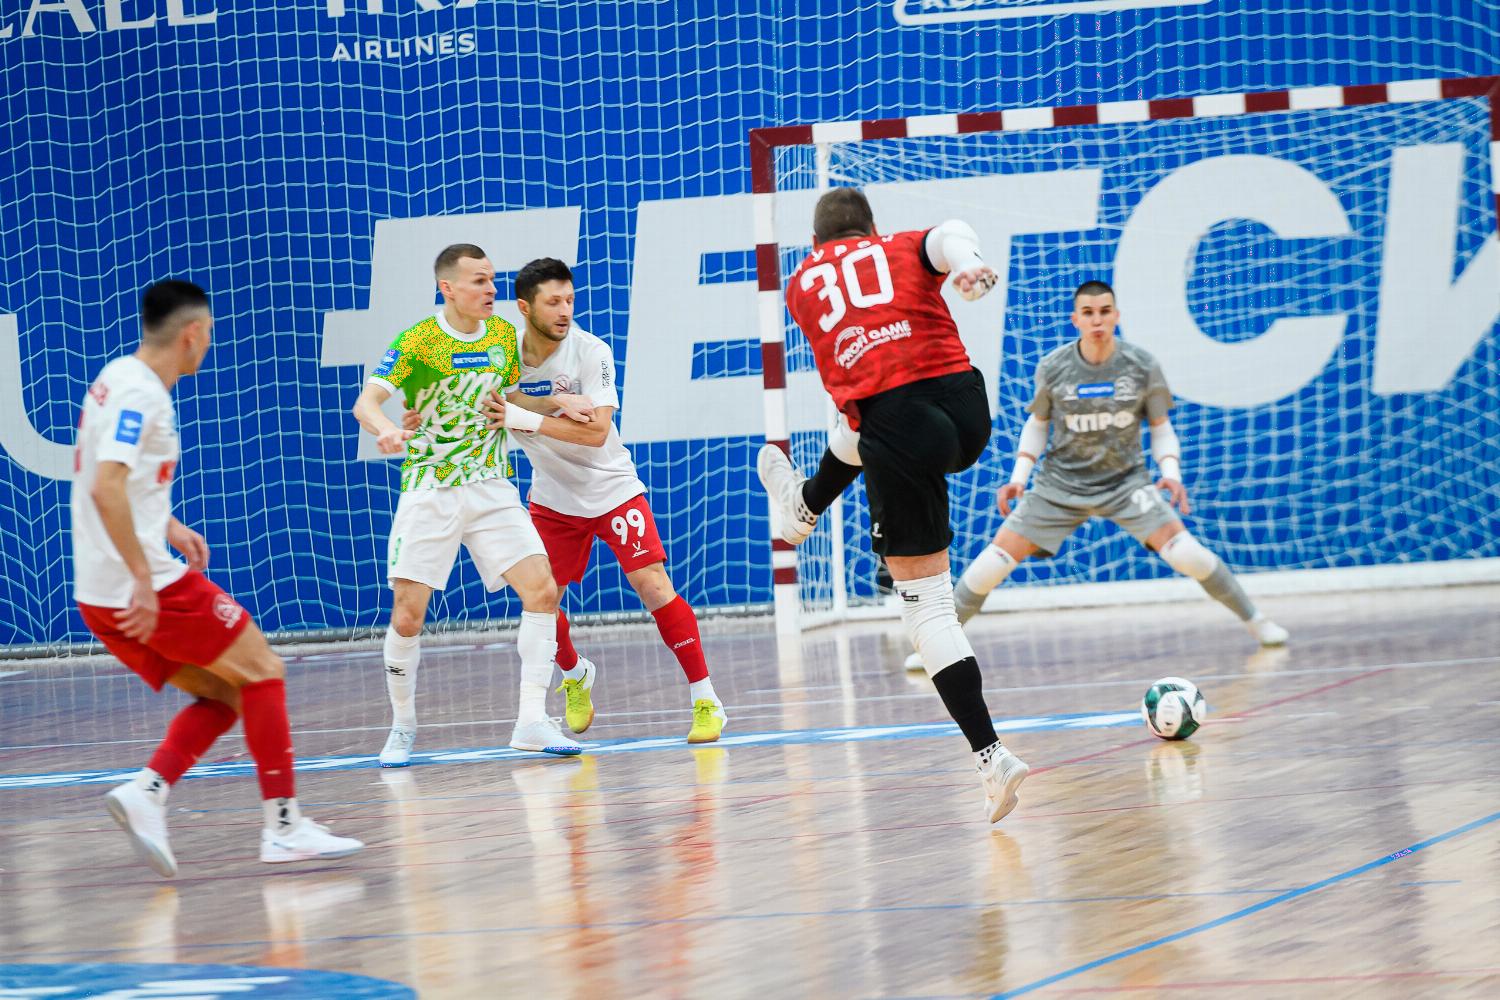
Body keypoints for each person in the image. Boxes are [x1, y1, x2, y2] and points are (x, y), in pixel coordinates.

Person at [756, 187, 1030, 824]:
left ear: (817, 244)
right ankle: (804, 506)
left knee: (927, 607)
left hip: (900, 422)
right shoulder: (899, 247)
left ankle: (992, 757)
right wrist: (968, 264)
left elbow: (857, 393)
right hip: (967, 411)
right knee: (864, 427)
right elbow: (949, 231)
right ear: (872, 228)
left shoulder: (802, 285)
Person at [74, 280, 363, 877]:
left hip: (98, 595)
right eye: (208, 332)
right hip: (140, 585)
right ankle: (284, 827)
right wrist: (144, 577)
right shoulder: (143, 395)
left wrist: (168, 524)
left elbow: (119, 479)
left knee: (229, 693)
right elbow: (105, 487)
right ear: (191, 334)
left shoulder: (117, 377)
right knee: (264, 669)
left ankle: (148, 792)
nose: (209, 342)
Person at [904, 280, 1289, 670]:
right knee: (991, 564)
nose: (1097, 320)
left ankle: (1258, 623)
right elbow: (1037, 425)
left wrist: (1170, 472)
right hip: (1059, 486)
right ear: (1076, 320)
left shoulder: (1141, 365)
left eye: (1105, 312)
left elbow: (1160, 427)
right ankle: (937, 649)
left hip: (1126, 483)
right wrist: (1019, 477)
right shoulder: (1054, 366)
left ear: (1116, 315)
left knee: (1189, 555)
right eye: (1088, 313)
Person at [351, 244, 596, 765]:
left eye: (492, 279)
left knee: (542, 590)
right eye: (479, 281)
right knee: (408, 616)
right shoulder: (419, 340)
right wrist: (388, 428)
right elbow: (366, 403)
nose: (491, 289)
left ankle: (531, 720)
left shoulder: (503, 335)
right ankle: (402, 726)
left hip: (490, 485)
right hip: (431, 487)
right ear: (448, 288)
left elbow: (511, 399)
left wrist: (556, 401)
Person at [480, 258, 727, 742]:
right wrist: (553, 402)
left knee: (652, 585)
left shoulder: (591, 351)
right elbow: (496, 400)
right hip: (553, 499)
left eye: (570, 300)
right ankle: (575, 674)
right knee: (539, 599)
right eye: (553, 302)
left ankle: (706, 699)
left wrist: (522, 416)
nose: (565, 311)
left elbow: (595, 433)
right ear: (524, 307)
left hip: (612, 489)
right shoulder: (500, 356)